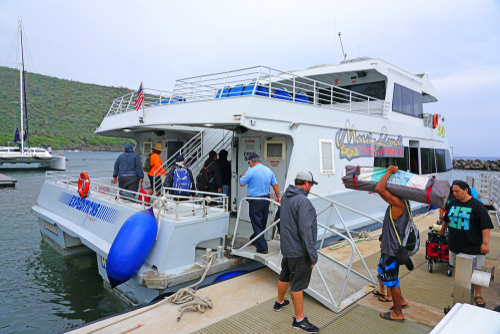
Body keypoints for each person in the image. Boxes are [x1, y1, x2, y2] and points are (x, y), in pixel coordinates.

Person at [274, 171, 319, 333]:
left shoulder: (286, 196)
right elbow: (306, 230)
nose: (311, 187)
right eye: (311, 184)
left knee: (284, 274)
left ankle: (279, 302)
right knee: (298, 285)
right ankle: (299, 320)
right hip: (299, 252)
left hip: (287, 247)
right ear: (306, 183)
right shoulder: (303, 202)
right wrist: (313, 256)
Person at [439, 180, 493, 307]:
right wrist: (442, 230)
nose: (455, 194)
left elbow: (486, 226)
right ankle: (461, 289)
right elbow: (446, 219)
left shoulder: (477, 206)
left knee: (477, 271)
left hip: (474, 245)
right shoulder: (451, 203)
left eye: (457, 191)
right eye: (453, 191)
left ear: (466, 190)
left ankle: (478, 294)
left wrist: (485, 243)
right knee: (457, 267)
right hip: (455, 244)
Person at [374, 165, 411, 322]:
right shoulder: (404, 201)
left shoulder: (397, 202)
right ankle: (401, 302)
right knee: (391, 278)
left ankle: (398, 313)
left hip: (392, 250)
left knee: (392, 281)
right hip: (392, 246)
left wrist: (389, 172)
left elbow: (379, 188)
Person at [239, 153, 281, 254]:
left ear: (251, 162)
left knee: (256, 222)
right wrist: (279, 197)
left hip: (255, 201)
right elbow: (275, 185)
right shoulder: (268, 170)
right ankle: (255, 238)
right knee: (262, 221)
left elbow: (241, 183)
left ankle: (262, 248)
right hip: (266, 200)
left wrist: (246, 171)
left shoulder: (251, 170)